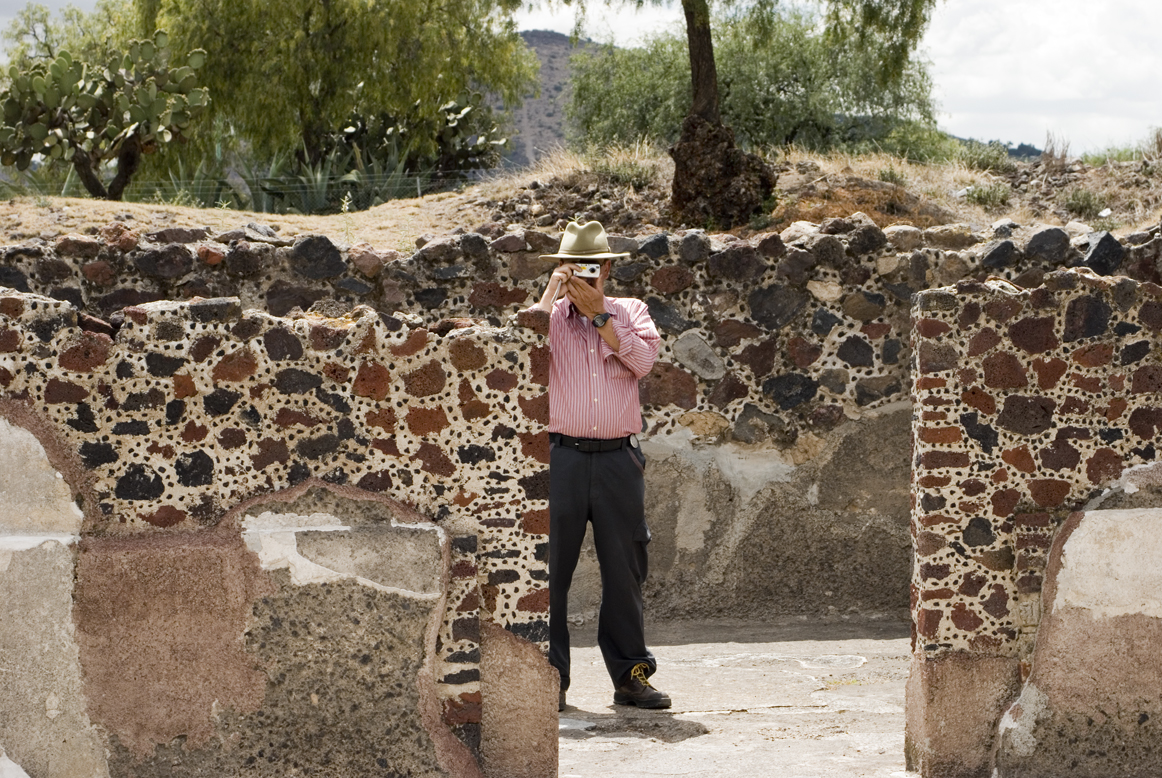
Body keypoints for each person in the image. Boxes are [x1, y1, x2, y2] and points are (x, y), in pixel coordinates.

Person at [525, 220, 670, 712]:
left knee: (625, 569)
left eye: (593, 267)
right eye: (574, 268)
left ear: (607, 268)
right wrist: (551, 293)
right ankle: (551, 680)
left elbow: (644, 363)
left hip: (617, 460)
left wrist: (601, 318)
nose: (586, 277)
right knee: (550, 572)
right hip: (560, 457)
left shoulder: (631, 312)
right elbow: (520, 352)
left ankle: (631, 677)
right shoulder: (549, 317)